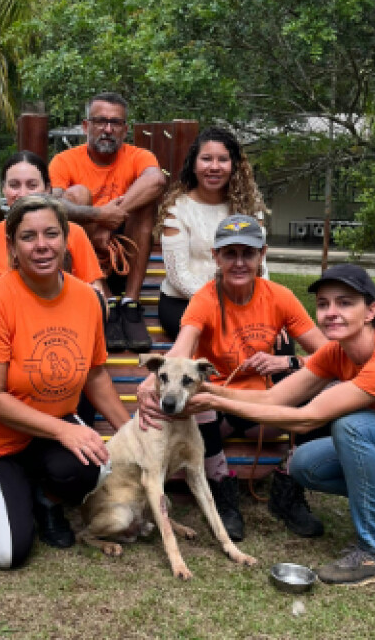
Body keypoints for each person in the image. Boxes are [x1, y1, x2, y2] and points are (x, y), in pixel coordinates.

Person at [180, 264, 375, 586]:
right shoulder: (336, 352)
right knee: (305, 465)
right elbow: (275, 398)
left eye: (345, 303)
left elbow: (309, 418)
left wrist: (217, 404)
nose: (331, 312)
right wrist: (206, 389)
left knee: (354, 426)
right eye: (323, 304)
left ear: (370, 311)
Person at [0, 195, 129, 568]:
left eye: (51, 234)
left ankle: (44, 497)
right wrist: (64, 432)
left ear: (66, 240)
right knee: (6, 554)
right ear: (12, 248)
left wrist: (131, 432)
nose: (41, 246)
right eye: (28, 237)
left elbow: (96, 374)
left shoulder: (87, 299)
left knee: (96, 464)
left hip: (47, 428)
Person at [137, 214, 328, 542]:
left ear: (261, 255)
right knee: (198, 398)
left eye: (248, 253)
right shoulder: (205, 299)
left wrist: (288, 360)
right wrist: (151, 379)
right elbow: (182, 346)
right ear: (216, 257)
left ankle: (288, 490)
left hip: (264, 407)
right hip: (218, 408)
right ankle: (223, 493)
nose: (239, 262)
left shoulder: (279, 296)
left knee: (325, 394)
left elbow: (329, 355)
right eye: (230, 254)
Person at [50, 91, 167, 353]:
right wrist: (99, 216)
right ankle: (106, 302)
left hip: (128, 255)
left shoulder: (138, 156)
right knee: (77, 194)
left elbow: (157, 180)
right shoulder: (64, 161)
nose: (107, 128)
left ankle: (130, 303)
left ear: (125, 130)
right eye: (100, 121)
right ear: (85, 126)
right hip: (87, 264)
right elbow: (55, 204)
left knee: (145, 201)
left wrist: (110, 222)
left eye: (115, 123)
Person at [156, 126, 269, 341]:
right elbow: (178, 277)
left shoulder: (249, 208)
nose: (214, 167)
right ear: (194, 165)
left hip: (243, 300)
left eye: (223, 160)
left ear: (234, 166)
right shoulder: (177, 209)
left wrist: (267, 307)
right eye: (206, 159)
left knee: (278, 340)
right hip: (185, 303)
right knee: (226, 338)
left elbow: (262, 267)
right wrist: (225, 305)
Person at [0, 150, 106, 295]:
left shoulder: (74, 233)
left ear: (47, 189)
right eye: (14, 185)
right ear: (4, 189)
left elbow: (96, 294)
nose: (23, 194)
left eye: (32, 185)